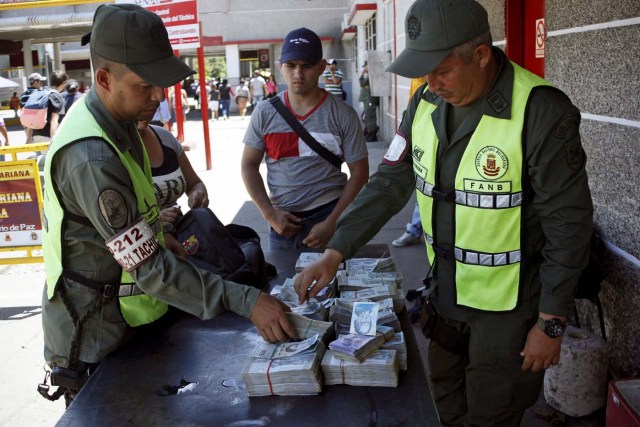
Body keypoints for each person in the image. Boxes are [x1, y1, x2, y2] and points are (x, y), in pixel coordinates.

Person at [294, 0, 593, 425]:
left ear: (481, 55)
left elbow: (570, 224)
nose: (431, 83)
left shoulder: (541, 111)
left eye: (441, 69)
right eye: (424, 71)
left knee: (491, 414)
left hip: (506, 313)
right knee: (444, 406)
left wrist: (551, 323)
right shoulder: (424, 104)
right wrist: (336, 250)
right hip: (445, 297)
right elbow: (389, 182)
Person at [41, 4, 295, 404]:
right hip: (95, 338)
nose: (159, 97)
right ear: (104, 78)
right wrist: (245, 300)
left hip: (133, 320)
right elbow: (148, 268)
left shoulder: (124, 127)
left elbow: (136, 229)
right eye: (145, 86)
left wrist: (159, 235)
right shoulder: (92, 156)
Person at [241, 27, 369, 250]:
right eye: (291, 66)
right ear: (281, 67)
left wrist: (333, 222)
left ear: (320, 67)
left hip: (331, 217)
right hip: (282, 224)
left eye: (306, 66)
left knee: (335, 284)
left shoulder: (343, 115)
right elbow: (248, 166)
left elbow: (360, 172)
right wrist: (270, 214)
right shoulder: (264, 112)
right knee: (283, 283)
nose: (298, 74)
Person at [136, 119, 207, 238]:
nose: (156, 100)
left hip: (182, 235)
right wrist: (153, 221)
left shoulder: (164, 136)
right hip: (146, 246)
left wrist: (198, 194)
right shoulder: (107, 146)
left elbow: (195, 183)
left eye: (161, 100)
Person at [391, 76, 429, 247]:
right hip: (422, 132)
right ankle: (415, 229)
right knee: (424, 186)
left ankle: (415, 229)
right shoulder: (420, 84)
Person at [31, 70, 67, 143]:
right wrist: (53, 141)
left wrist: (28, 137)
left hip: (35, 135)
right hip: (47, 136)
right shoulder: (57, 96)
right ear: (63, 83)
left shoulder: (43, 92)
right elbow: (54, 120)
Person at [358, 61, 379, 141]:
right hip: (367, 98)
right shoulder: (368, 75)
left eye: (365, 66)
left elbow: (362, 83)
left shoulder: (371, 74)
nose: (364, 68)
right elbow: (363, 84)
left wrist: (362, 75)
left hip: (370, 98)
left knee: (370, 116)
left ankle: (373, 134)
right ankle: (370, 132)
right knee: (367, 116)